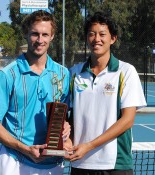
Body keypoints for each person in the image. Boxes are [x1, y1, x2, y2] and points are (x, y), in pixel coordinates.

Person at [0, 10, 71, 175]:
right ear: (26, 34)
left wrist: (66, 127)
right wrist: (24, 148)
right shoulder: (8, 74)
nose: (40, 40)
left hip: (52, 164)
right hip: (13, 160)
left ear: (52, 36)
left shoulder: (63, 74)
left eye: (45, 34)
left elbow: (64, 116)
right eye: (34, 34)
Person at [66, 11, 147, 175]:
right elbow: (69, 116)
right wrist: (67, 140)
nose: (97, 39)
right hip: (80, 163)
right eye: (91, 34)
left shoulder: (126, 71)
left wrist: (89, 146)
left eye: (102, 34)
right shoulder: (74, 73)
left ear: (113, 38)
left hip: (115, 165)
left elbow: (127, 120)